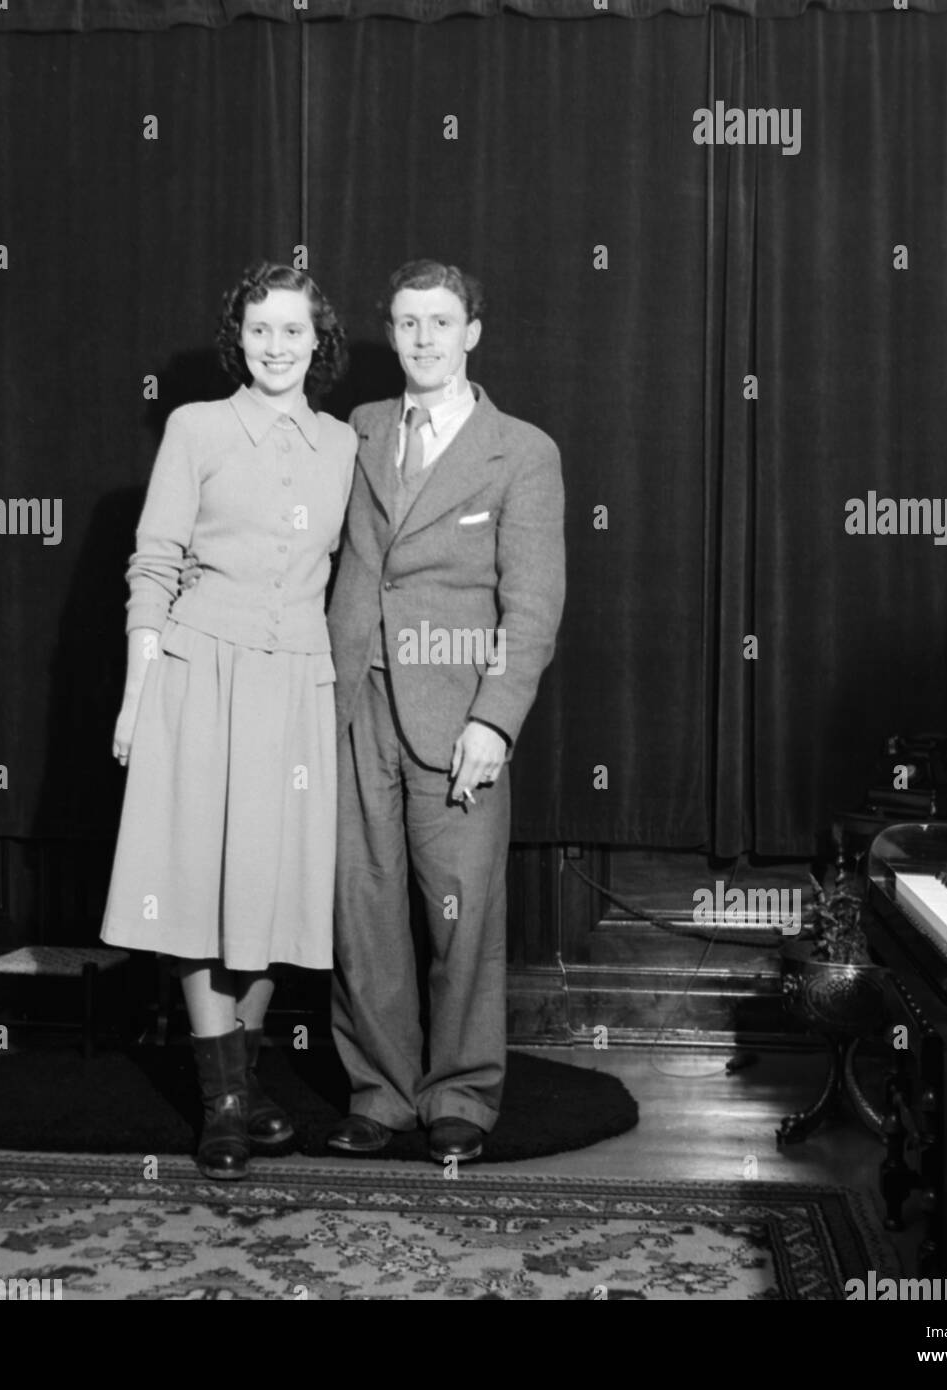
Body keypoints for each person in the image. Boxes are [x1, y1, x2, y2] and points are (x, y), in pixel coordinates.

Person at [100, 263, 355, 1180]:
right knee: (201, 891)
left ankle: (239, 1085)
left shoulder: (343, 445)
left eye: (294, 331)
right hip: (199, 675)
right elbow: (153, 564)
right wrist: (136, 695)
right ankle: (227, 1107)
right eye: (260, 332)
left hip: (296, 685)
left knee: (270, 887)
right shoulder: (197, 428)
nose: (277, 347)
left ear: (318, 341)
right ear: (238, 340)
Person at [326, 259, 565, 1164]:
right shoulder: (354, 432)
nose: (423, 338)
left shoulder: (523, 452)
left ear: (472, 332)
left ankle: (461, 1093)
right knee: (364, 905)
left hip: (458, 712)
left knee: (459, 912)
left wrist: (495, 721)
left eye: (441, 321)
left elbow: (533, 606)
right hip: (355, 703)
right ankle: (379, 1094)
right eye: (406, 322)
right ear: (389, 334)